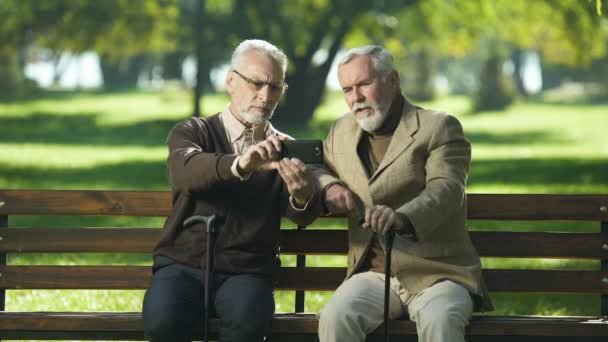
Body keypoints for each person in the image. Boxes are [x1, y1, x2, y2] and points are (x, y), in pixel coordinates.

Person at [142, 39, 321, 342]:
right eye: (256, 83)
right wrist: (240, 163)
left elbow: (300, 214)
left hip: (247, 271)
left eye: (275, 87)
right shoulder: (193, 131)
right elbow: (185, 172)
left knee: (246, 329)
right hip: (181, 264)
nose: (265, 96)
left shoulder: (286, 148)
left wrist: (303, 196)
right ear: (230, 81)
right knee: (163, 323)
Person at [316, 45, 494, 342]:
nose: (355, 98)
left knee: (442, 321)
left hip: (438, 273)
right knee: (336, 317)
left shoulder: (439, 127)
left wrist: (401, 217)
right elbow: (317, 169)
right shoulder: (341, 131)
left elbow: (447, 188)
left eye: (363, 84)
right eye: (347, 89)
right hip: (371, 276)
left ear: (392, 80)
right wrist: (328, 185)